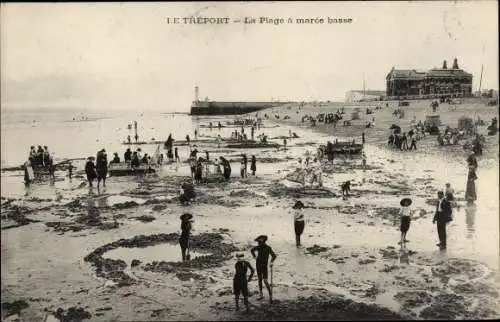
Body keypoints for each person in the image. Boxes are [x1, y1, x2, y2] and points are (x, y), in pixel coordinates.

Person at [251, 235, 277, 302]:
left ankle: (270, 294)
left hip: (264, 266)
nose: (259, 243)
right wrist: (254, 256)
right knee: (259, 279)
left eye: (260, 241)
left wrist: (271, 262)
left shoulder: (268, 248)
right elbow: (252, 250)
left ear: (264, 241)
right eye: (259, 242)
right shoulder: (258, 247)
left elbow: (274, 256)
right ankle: (261, 294)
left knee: (265, 280)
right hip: (258, 265)